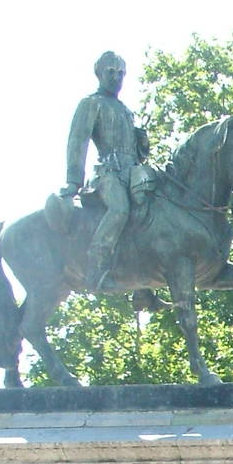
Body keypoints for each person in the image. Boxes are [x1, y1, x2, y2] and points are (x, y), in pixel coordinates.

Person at [61, 51, 155, 291]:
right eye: (111, 72)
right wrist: (73, 182)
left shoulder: (124, 109)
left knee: (155, 213)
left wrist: (140, 143)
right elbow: (77, 141)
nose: (116, 77)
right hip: (107, 174)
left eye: (121, 73)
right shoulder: (92, 103)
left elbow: (136, 153)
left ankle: (144, 286)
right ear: (99, 73)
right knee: (120, 209)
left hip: (132, 173)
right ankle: (96, 267)